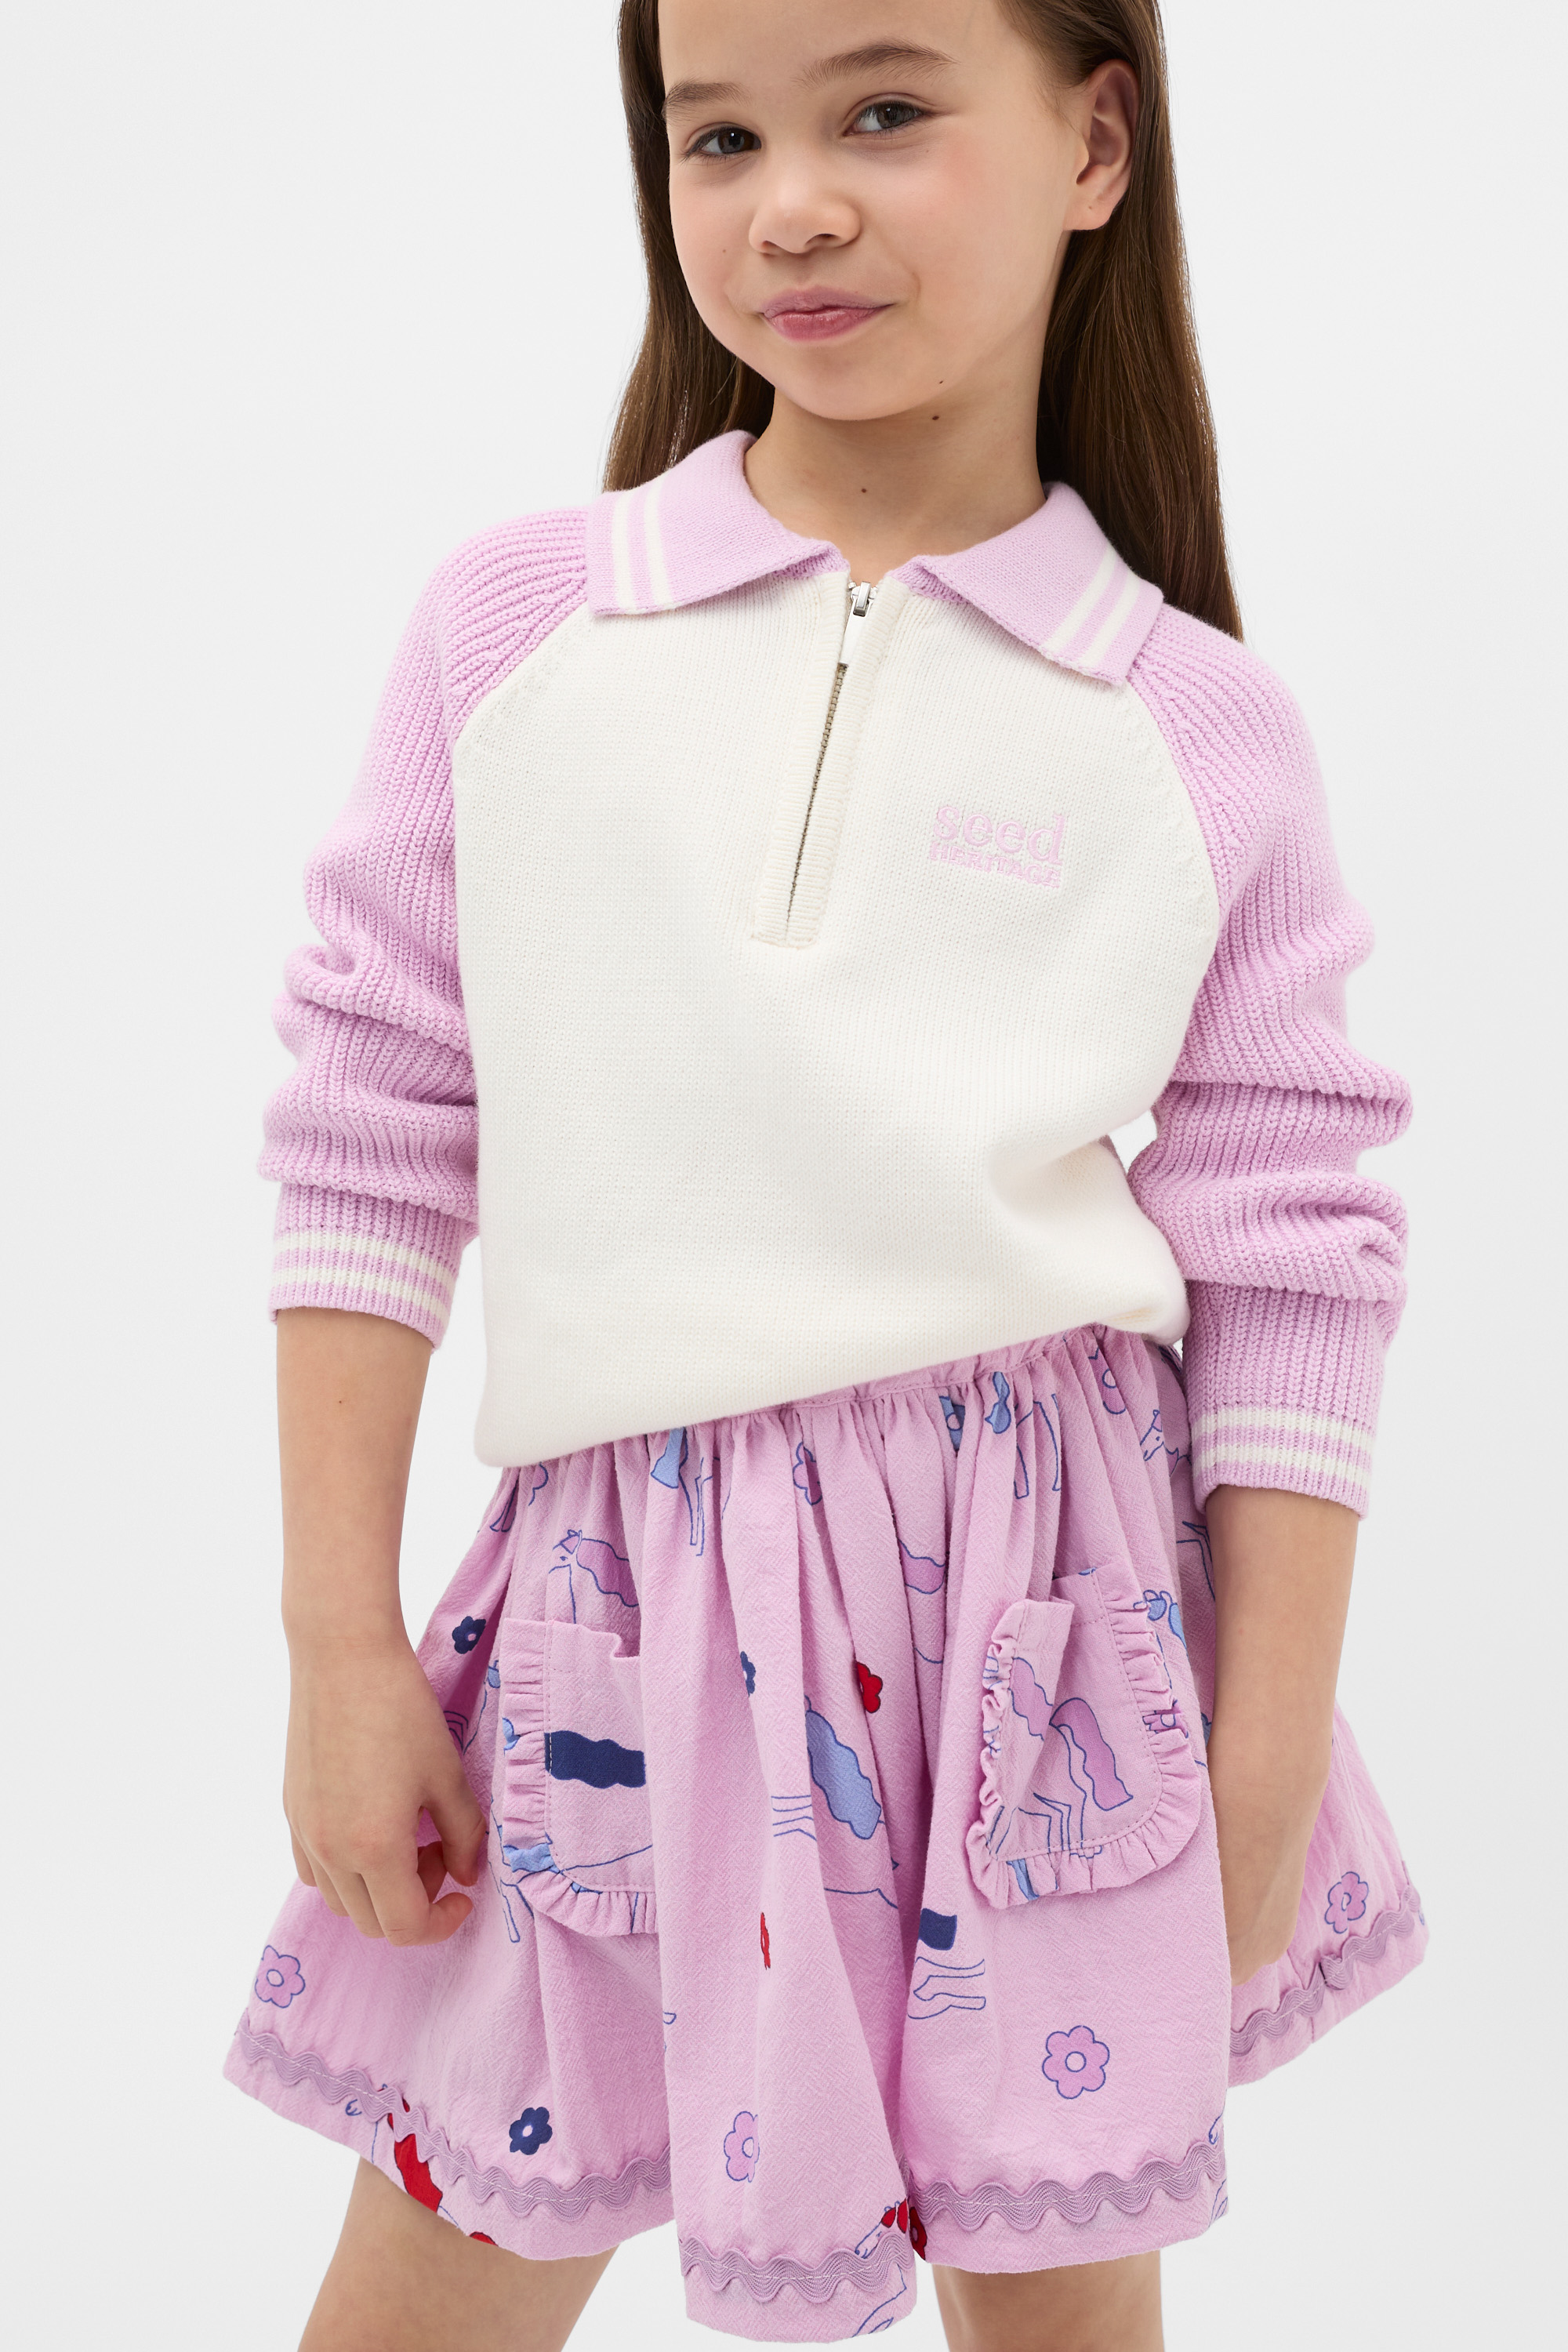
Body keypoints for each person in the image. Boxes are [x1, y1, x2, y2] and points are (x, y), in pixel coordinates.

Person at [224, 4, 1425, 2347]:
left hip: (1047, 1647)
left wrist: (1272, 1739)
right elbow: (372, 1117)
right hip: (611, 1625)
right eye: (716, 137)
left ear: (1096, 140)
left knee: (1057, 2297)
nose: (789, 206)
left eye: (884, 111)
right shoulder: (519, 637)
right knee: (435, 2271)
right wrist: (336, 1642)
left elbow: (1297, 1241)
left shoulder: (1195, 729)